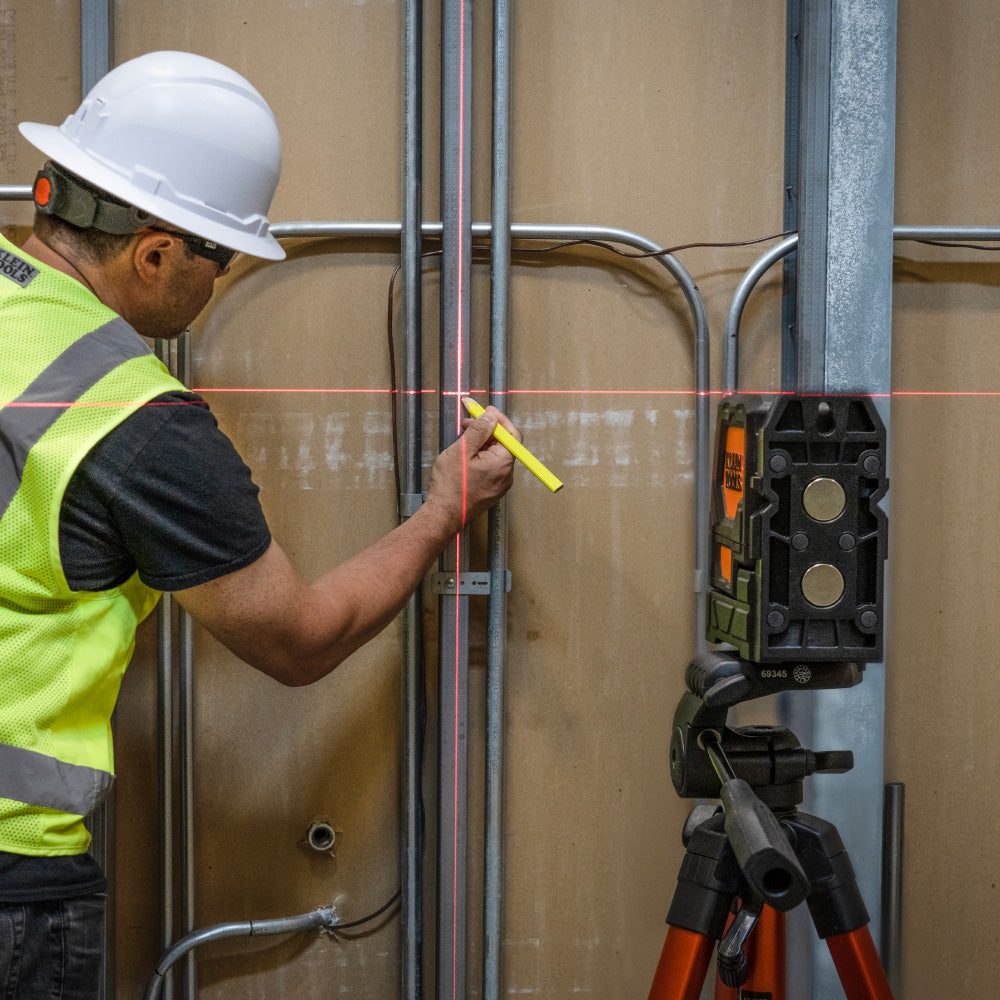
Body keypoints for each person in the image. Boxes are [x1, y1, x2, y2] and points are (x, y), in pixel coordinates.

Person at [0, 50, 519, 997]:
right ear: (154, 251)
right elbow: (297, 638)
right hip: (10, 877)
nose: (222, 281)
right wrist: (441, 513)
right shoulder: (138, 422)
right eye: (222, 256)